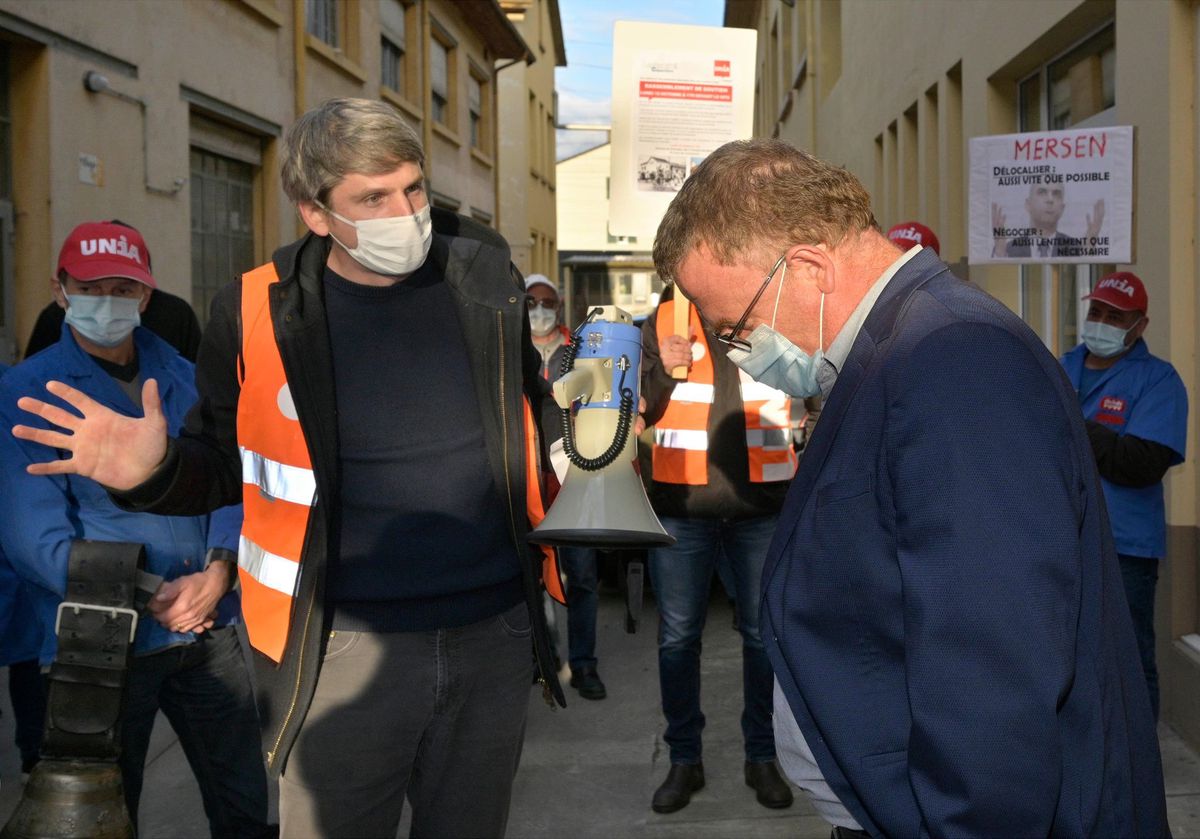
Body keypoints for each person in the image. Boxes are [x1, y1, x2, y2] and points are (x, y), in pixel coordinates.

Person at [8, 99, 564, 838]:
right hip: (340, 649)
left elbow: (529, 407)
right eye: (373, 197)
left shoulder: (483, 270)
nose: (406, 214)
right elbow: (218, 465)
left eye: (414, 189)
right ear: (315, 211)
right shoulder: (255, 307)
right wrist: (152, 471)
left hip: (491, 633)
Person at [651, 138, 1168, 837]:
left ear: (807, 267)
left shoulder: (954, 358)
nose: (736, 350)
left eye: (732, 328)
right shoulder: (899, 348)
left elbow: (993, 684)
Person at [0, 221, 270, 836]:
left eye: (125, 287)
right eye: (91, 286)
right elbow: (33, 541)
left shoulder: (186, 374)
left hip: (208, 627)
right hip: (102, 638)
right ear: (60, 290)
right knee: (103, 810)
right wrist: (156, 594)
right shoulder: (25, 393)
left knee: (244, 800)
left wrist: (219, 569)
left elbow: (228, 477)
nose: (109, 300)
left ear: (146, 296)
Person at [640, 284, 796, 814]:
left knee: (762, 637)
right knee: (678, 639)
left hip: (762, 506)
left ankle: (763, 756)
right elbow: (637, 406)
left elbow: (813, 387)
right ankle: (684, 759)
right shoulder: (662, 320)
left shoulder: (770, 313)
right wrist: (663, 367)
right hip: (681, 508)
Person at [1060, 271, 1187, 721]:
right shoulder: (1062, 366)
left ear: (1139, 326)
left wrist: (1072, 424)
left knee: (1129, 658)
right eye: (1096, 311)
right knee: (1066, 657)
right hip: (1061, 541)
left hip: (1125, 548)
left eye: (1116, 316)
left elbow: (1139, 463)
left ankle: (1139, 772)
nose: (1102, 322)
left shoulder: (1158, 381)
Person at [527, 273, 606, 700]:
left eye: (547, 302)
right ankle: (543, 661)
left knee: (581, 579)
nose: (538, 309)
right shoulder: (512, 351)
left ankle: (584, 665)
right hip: (525, 486)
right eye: (530, 301)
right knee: (532, 580)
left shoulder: (579, 353)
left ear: (559, 308)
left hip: (575, 484)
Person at [24, 220, 203, 362]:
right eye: (88, 289)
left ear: (145, 294)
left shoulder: (181, 376)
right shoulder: (25, 384)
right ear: (59, 292)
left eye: (123, 290)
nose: (107, 304)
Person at [991, 181, 1104, 258]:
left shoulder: (1078, 249)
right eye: (1042, 192)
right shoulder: (1008, 250)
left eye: (1056, 194)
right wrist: (1000, 254)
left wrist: (1089, 249)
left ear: (1062, 208)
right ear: (1028, 205)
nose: (1050, 199)